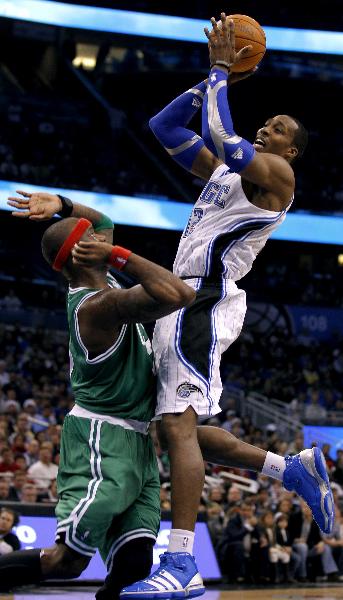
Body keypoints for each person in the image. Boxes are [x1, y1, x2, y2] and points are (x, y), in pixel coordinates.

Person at [121, 14, 334, 599]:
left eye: (279, 126)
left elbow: (221, 135)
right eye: (267, 120)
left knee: (176, 424)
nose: (269, 126)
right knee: (183, 427)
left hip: (204, 299)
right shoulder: (221, 175)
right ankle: (290, 469)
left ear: (291, 149)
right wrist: (210, 82)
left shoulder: (277, 178)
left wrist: (221, 70)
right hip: (179, 298)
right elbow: (163, 125)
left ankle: (183, 562)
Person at [0, 192, 195, 598]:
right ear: (80, 256)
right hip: (102, 441)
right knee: (66, 562)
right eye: (94, 241)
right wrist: (120, 254)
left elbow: (102, 218)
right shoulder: (98, 307)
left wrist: (62, 204)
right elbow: (178, 294)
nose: (103, 240)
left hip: (137, 441)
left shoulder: (104, 283)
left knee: (135, 563)